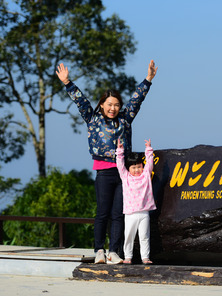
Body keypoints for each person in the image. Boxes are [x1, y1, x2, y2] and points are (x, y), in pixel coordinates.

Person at [56, 60, 158, 264]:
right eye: (109, 104)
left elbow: (137, 100)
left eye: (116, 105)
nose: (113, 108)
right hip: (104, 172)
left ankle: (114, 250)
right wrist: (67, 82)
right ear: (102, 104)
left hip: (124, 175)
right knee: (102, 212)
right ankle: (99, 250)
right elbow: (80, 101)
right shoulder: (92, 118)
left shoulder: (125, 119)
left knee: (119, 213)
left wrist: (148, 79)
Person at [116, 139, 156, 264]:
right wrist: (120, 151)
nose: (137, 170)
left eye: (139, 167)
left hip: (144, 213)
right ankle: (128, 256)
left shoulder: (146, 176)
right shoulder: (126, 177)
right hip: (130, 214)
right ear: (129, 168)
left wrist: (148, 149)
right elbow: (120, 165)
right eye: (134, 167)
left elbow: (149, 163)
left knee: (144, 237)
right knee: (129, 236)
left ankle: (145, 257)